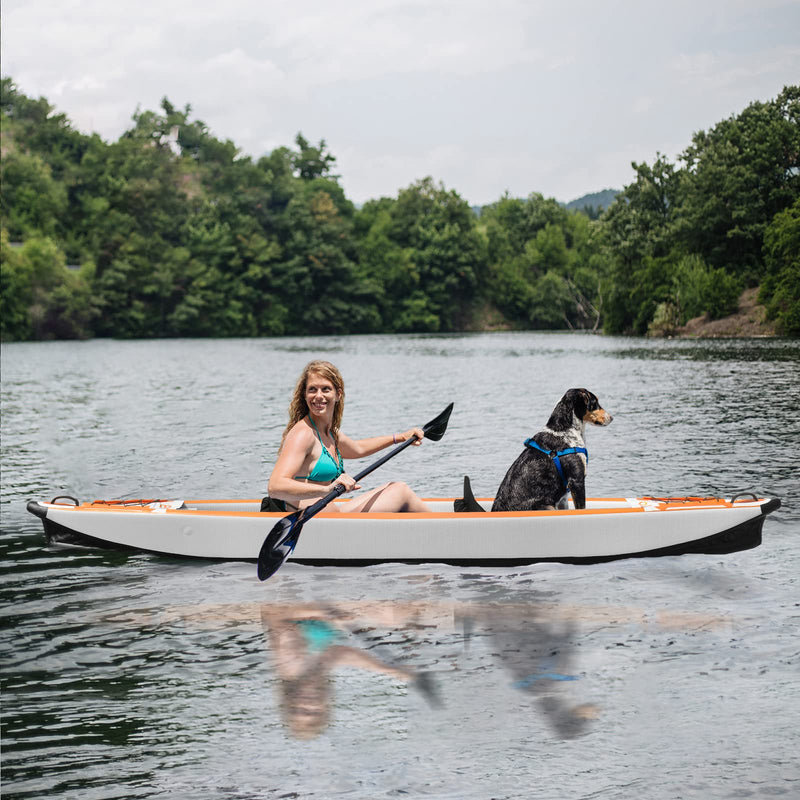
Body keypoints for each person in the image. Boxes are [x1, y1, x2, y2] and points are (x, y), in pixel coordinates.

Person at [266, 360, 432, 513]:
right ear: (304, 395)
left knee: (395, 486)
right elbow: (275, 486)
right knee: (400, 492)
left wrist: (400, 437)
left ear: (338, 394)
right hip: (313, 524)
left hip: (331, 517)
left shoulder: (330, 433)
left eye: (325, 389)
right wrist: (326, 490)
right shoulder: (303, 434)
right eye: (312, 389)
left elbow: (358, 448)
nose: (318, 396)